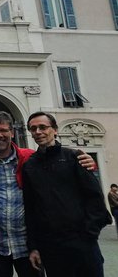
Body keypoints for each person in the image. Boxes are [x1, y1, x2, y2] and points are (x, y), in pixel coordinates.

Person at [0, 111, 95, 277]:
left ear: (12, 132)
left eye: (4, 130)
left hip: (28, 243)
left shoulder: (29, 157)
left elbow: (56, 167)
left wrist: (88, 162)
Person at [22, 111, 110, 277]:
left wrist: (89, 234)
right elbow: (31, 208)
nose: (38, 132)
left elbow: (95, 198)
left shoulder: (74, 157)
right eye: (33, 129)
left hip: (83, 242)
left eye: (42, 127)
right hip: (51, 247)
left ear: (54, 130)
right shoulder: (29, 166)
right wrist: (33, 246)